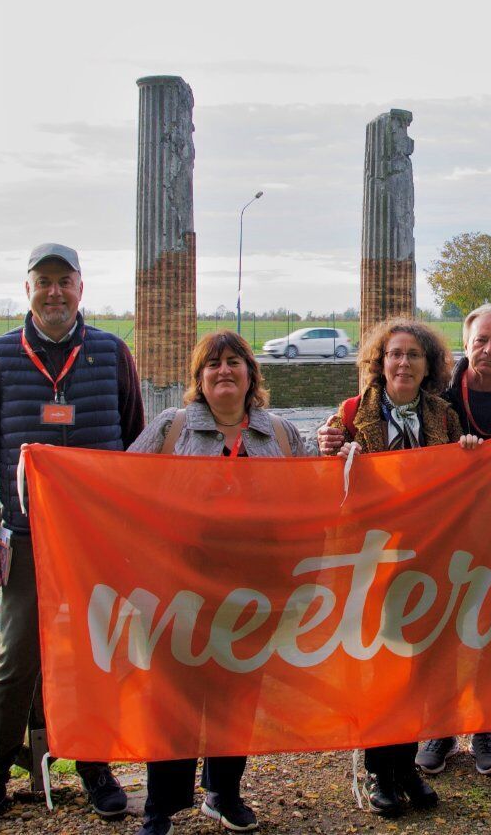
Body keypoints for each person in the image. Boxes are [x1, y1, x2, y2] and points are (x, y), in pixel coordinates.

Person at [0, 244, 145, 835]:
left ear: (81, 288)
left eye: (65, 282)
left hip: (99, 541)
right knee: (16, 662)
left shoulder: (113, 353)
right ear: (28, 289)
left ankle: (94, 766)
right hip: (29, 538)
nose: (55, 292)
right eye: (45, 282)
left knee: (96, 656)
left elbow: (136, 446)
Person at [128, 331, 307, 835]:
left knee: (237, 696)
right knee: (172, 699)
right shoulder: (172, 427)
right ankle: (160, 805)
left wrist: (347, 448)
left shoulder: (281, 433)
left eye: (234, 362)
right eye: (213, 364)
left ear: (252, 374)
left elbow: (322, 481)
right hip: (178, 588)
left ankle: (224, 792)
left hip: (252, 591)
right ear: (199, 378)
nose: (224, 371)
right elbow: (122, 483)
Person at [321, 317, 482, 817]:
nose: (404, 363)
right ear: (380, 361)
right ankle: (379, 771)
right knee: (378, 668)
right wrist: (329, 451)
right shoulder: (351, 413)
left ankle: (406, 764)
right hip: (373, 561)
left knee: (417, 669)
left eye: (414, 354)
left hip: (427, 560)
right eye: (395, 354)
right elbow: (323, 475)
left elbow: (464, 478)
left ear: (428, 364)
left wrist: (473, 454)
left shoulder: (445, 414)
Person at [421, 304, 491, 777]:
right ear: (465, 343)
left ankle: (485, 726)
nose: (489, 350)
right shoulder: (438, 391)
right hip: (446, 532)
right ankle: (441, 727)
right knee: (442, 630)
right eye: (481, 340)